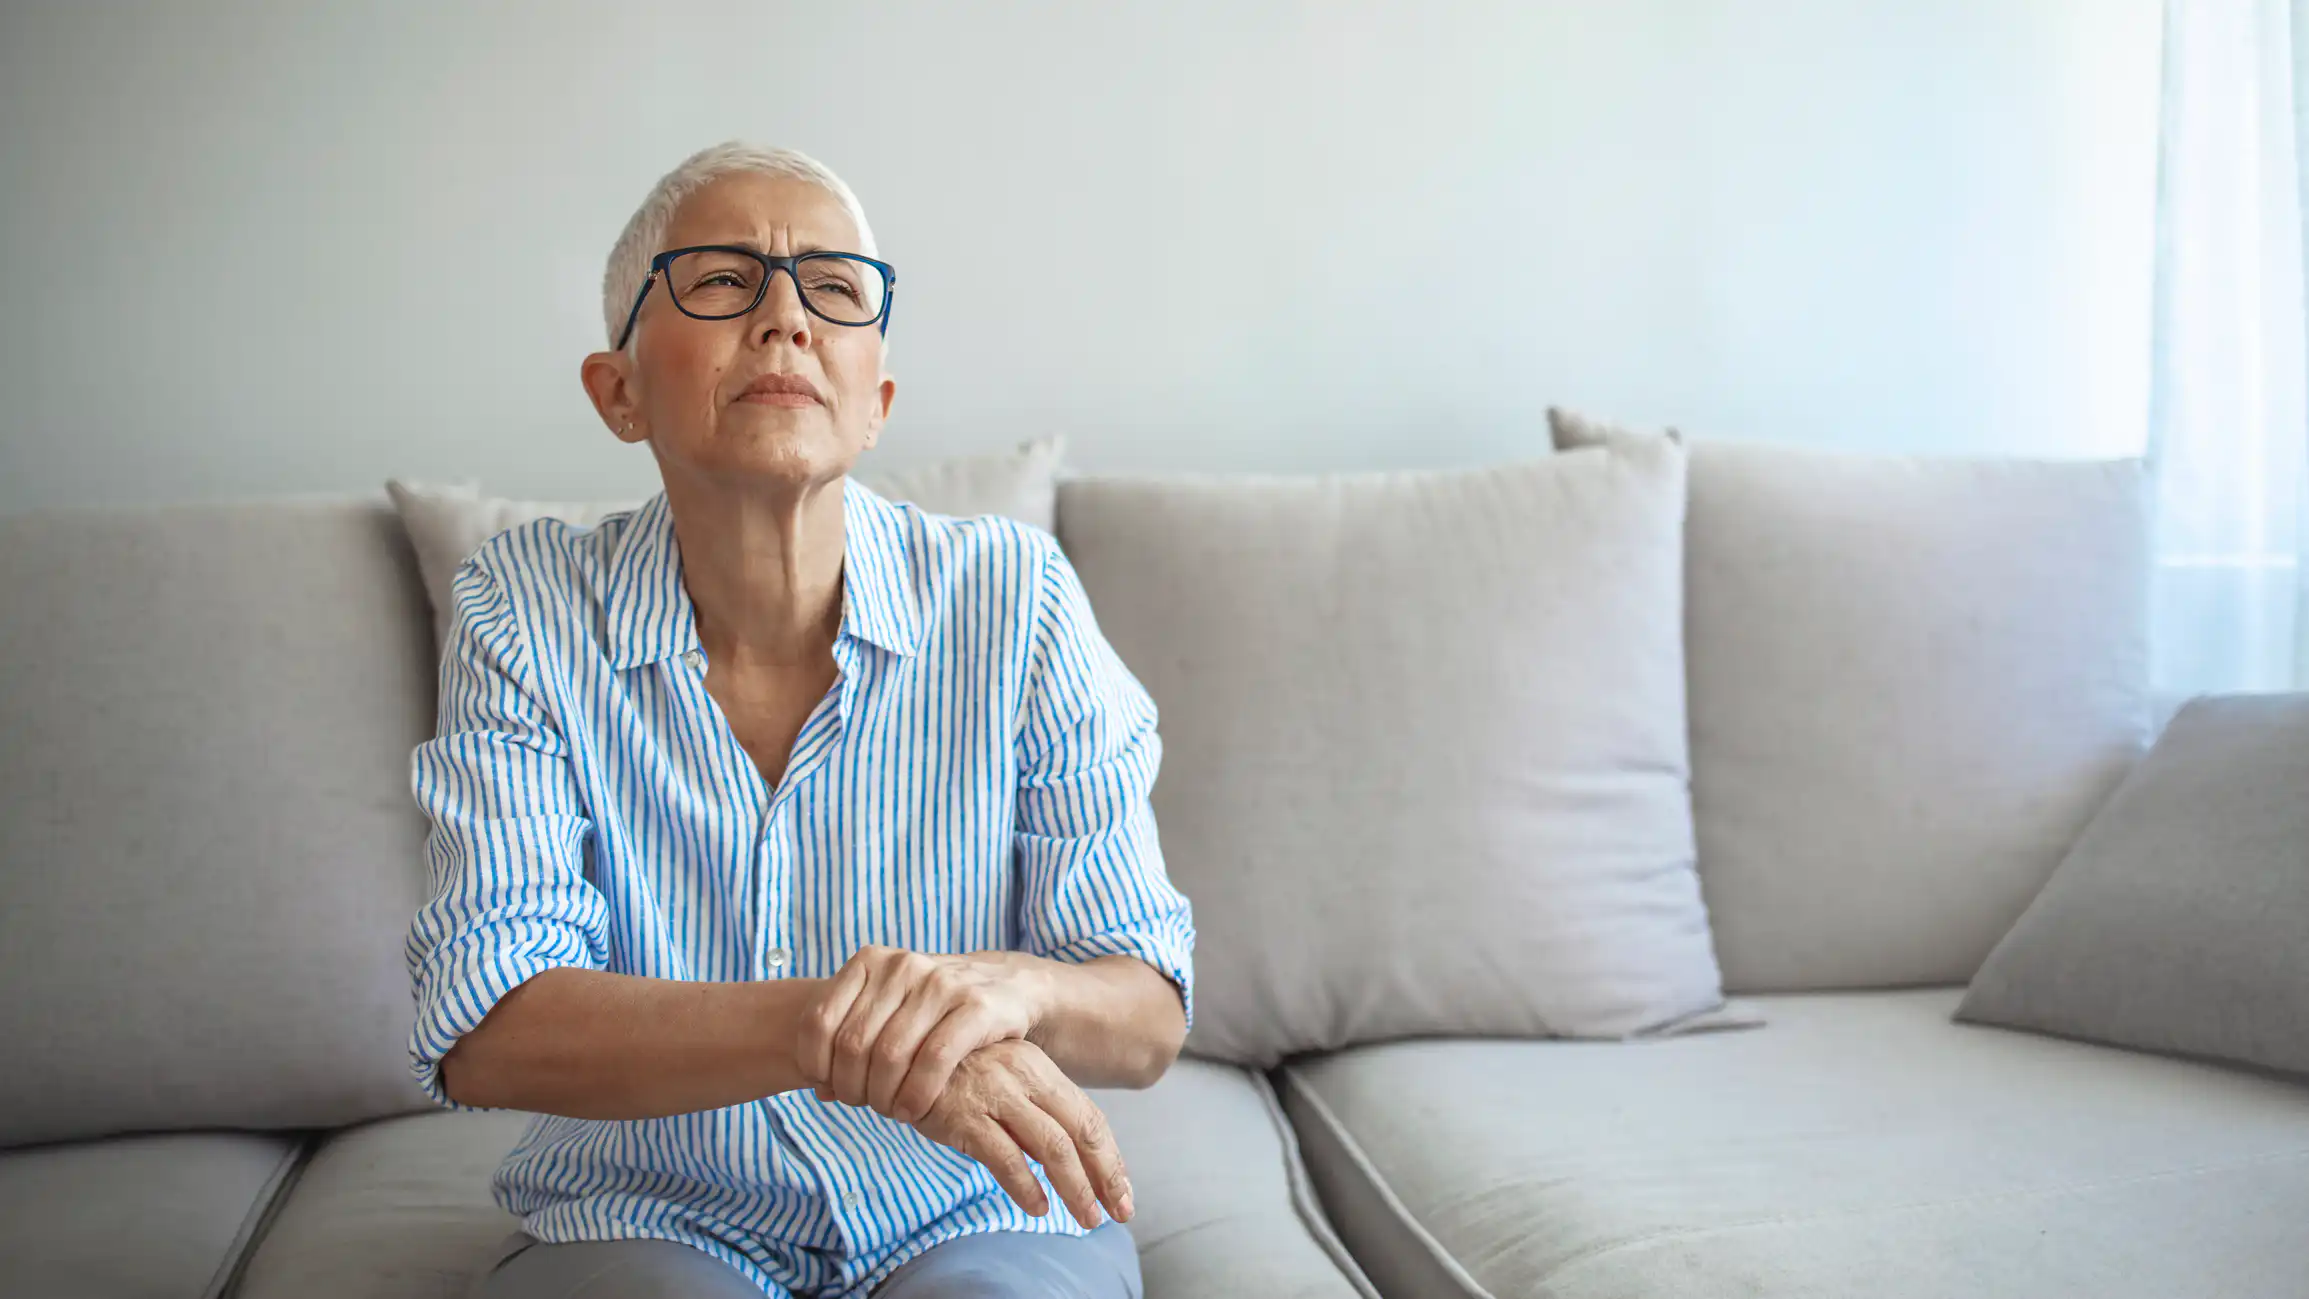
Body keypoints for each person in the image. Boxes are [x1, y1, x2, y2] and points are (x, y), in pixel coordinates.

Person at [404, 141, 1195, 1299]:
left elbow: (1144, 1015)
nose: (785, 319)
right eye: (721, 282)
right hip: (643, 1213)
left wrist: (1011, 993)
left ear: (874, 402)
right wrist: (842, 1031)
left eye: (833, 289)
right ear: (615, 391)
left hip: (976, 1202)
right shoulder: (520, 612)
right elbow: (487, 1026)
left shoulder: (1014, 601)